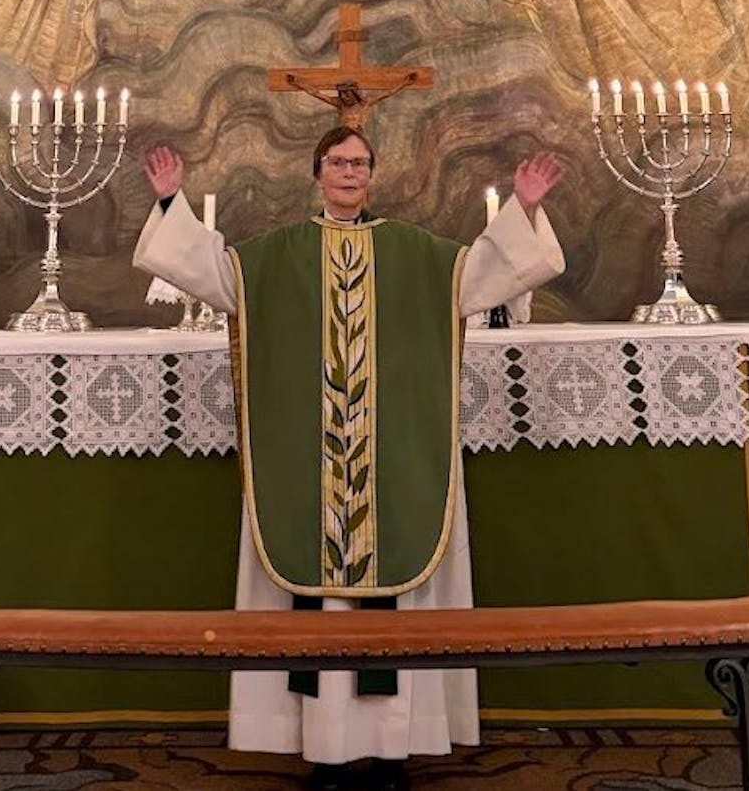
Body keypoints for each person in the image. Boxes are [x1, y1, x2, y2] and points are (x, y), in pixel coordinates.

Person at [133, 126, 565, 790]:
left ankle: (393, 753)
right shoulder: (278, 256)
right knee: (317, 608)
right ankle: (325, 753)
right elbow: (214, 272)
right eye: (338, 161)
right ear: (317, 171)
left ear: (371, 173)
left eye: (360, 162)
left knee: (395, 604)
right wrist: (170, 202)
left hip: (392, 467)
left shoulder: (415, 253)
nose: (349, 171)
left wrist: (524, 208)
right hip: (309, 470)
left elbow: (482, 272)